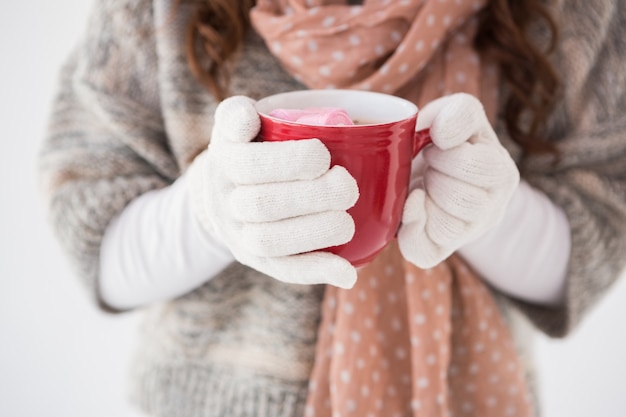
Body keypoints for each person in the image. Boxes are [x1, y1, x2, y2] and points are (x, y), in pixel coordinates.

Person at [38, 0, 626, 416]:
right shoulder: (158, 11)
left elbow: (600, 232)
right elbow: (95, 235)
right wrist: (208, 211)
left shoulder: (572, 10)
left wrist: (494, 210)